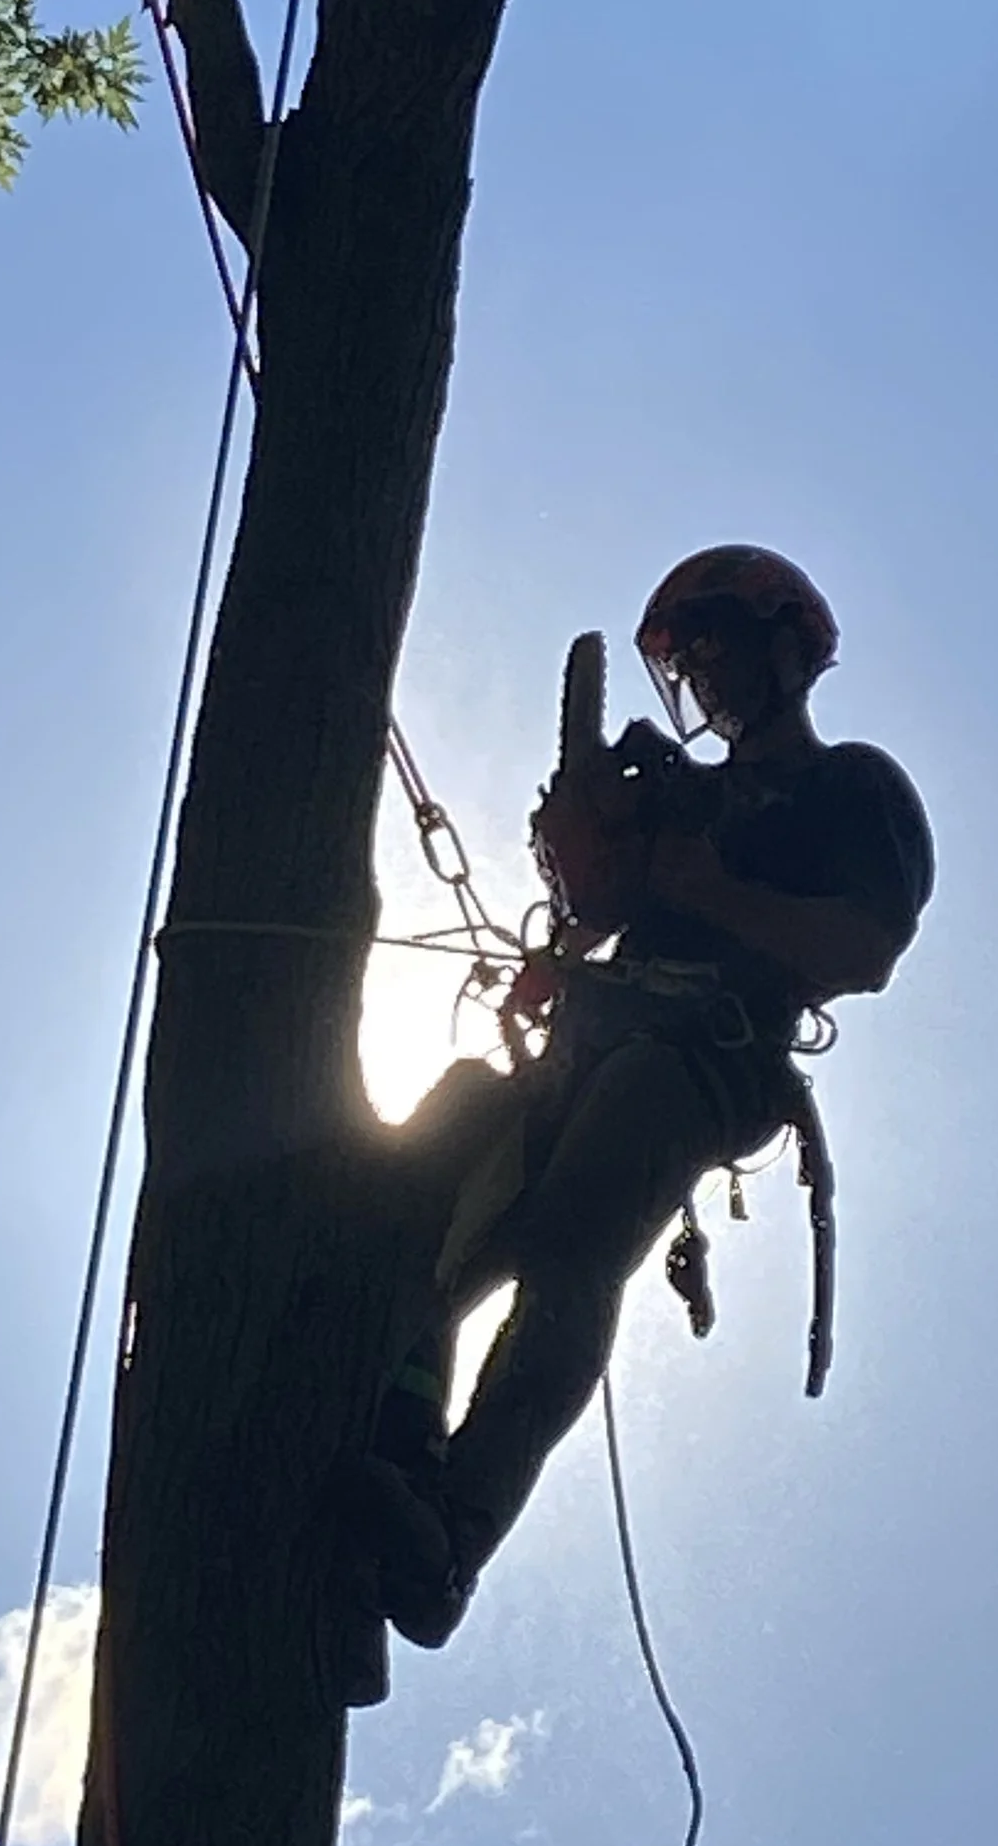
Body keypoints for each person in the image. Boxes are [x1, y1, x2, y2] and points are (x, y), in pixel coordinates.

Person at [357, 544, 933, 1655]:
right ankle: (391, 1442)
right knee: (432, 1175)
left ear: (784, 649)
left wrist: (708, 888)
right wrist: (583, 878)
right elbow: (593, 907)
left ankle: (447, 1536)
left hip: (695, 1055)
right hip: (591, 1037)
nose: (705, 679)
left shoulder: (847, 786)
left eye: (718, 649)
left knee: (572, 1246)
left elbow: (862, 947)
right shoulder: (682, 796)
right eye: (692, 662)